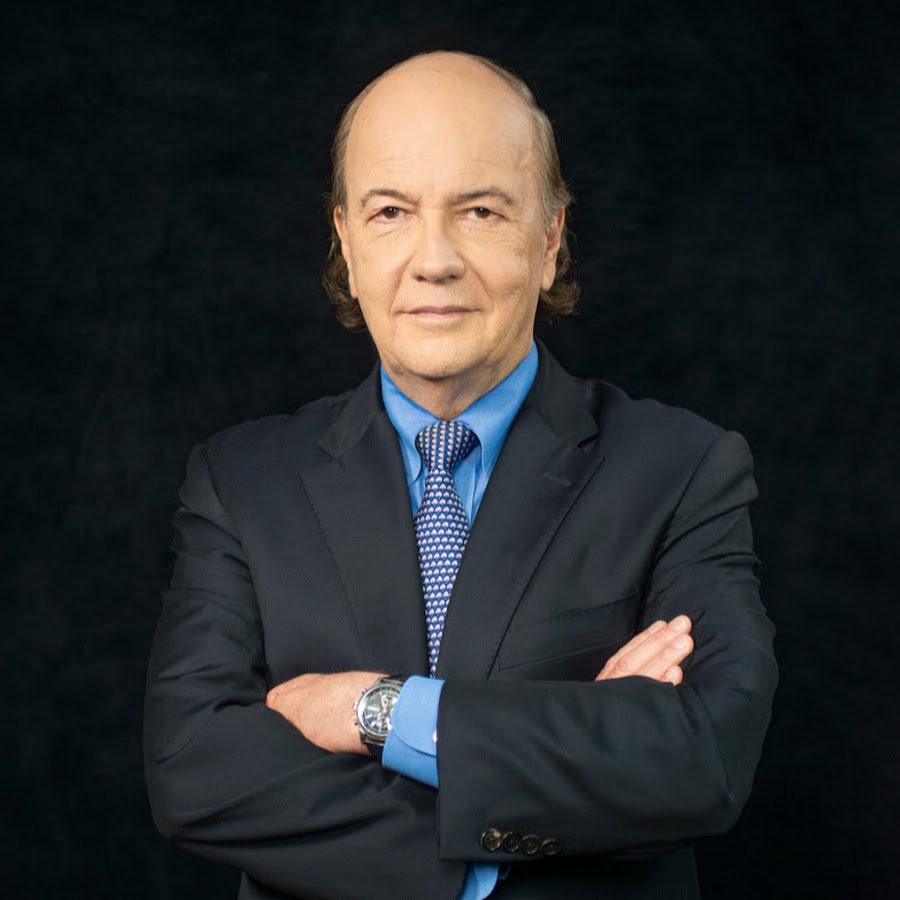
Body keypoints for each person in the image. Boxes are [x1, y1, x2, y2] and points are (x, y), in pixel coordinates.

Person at [144, 51, 777, 900]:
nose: (433, 259)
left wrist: (376, 709)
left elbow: (702, 757)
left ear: (549, 239)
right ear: (346, 242)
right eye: (391, 212)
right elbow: (194, 769)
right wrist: (538, 803)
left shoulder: (684, 469)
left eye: (480, 210)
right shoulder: (240, 483)